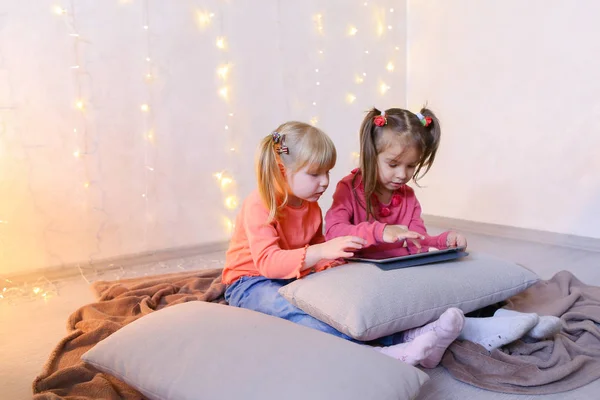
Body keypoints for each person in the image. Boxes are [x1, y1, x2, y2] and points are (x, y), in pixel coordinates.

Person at [324, 107, 561, 363]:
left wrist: (442, 241)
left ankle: (509, 322)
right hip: (369, 274)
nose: (402, 175)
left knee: (461, 281)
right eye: (393, 164)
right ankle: (478, 328)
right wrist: (381, 231)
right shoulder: (349, 189)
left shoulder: (407, 196)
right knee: (410, 309)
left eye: (411, 166)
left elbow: (417, 238)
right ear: (371, 155)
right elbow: (333, 232)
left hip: (406, 271)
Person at [222, 121, 464, 366]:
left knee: (341, 305)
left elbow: (316, 243)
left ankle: (410, 335)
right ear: (282, 170)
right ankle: (375, 352)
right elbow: (268, 263)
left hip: (295, 275)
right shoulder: (259, 204)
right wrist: (321, 251)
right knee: (298, 314)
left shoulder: (311, 206)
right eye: (315, 174)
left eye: (327, 172)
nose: (325, 181)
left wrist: (333, 264)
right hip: (249, 282)